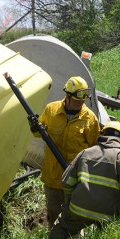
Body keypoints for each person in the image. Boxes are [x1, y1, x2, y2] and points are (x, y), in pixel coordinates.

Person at [48, 121, 120, 239]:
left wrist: (69, 205)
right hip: (110, 215)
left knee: (62, 227)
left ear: (103, 134)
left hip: (79, 209)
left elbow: (66, 182)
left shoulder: (86, 153)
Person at [32, 76, 100, 230]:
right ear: (68, 96)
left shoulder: (90, 118)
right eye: (78, 100)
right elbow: (40, 133)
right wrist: (35, 128)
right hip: (53, 177)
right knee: (54, 215)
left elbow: (96, 149)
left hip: (76, 179)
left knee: (75, 217)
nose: (81, 103)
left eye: (83, 100)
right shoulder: (51, 110)